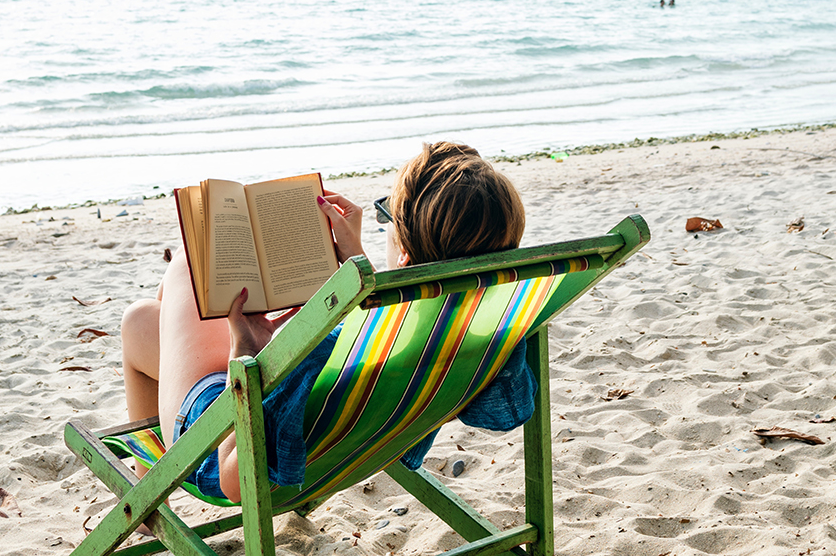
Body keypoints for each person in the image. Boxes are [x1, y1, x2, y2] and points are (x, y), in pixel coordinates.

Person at [120, 141, 536, 502]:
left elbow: (237, 482)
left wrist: (246, 355)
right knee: (149, 318)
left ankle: (149, 491)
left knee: (174, 280)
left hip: (213, 441)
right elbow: (502, 414)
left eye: (386, 220)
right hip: (346, 446)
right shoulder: (495, 328)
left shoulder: (328, 350)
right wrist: (363, 279)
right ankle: (145, 484)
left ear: (405, 256)